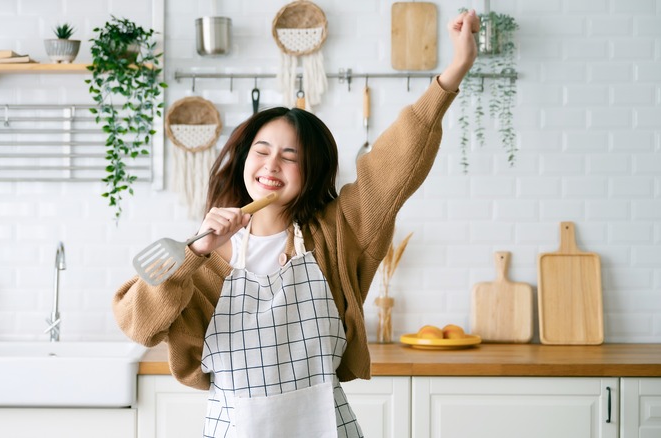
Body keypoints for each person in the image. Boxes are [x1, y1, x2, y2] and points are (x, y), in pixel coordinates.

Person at [113, 10, 480, 438]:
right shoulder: (200, 258)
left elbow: (394, 164)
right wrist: (195, 252)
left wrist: (456, 69)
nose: (272, 165)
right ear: (243, 159)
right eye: (261, 150)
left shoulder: (341, 232)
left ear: (312, 171)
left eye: (290, 156)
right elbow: (137, 325)